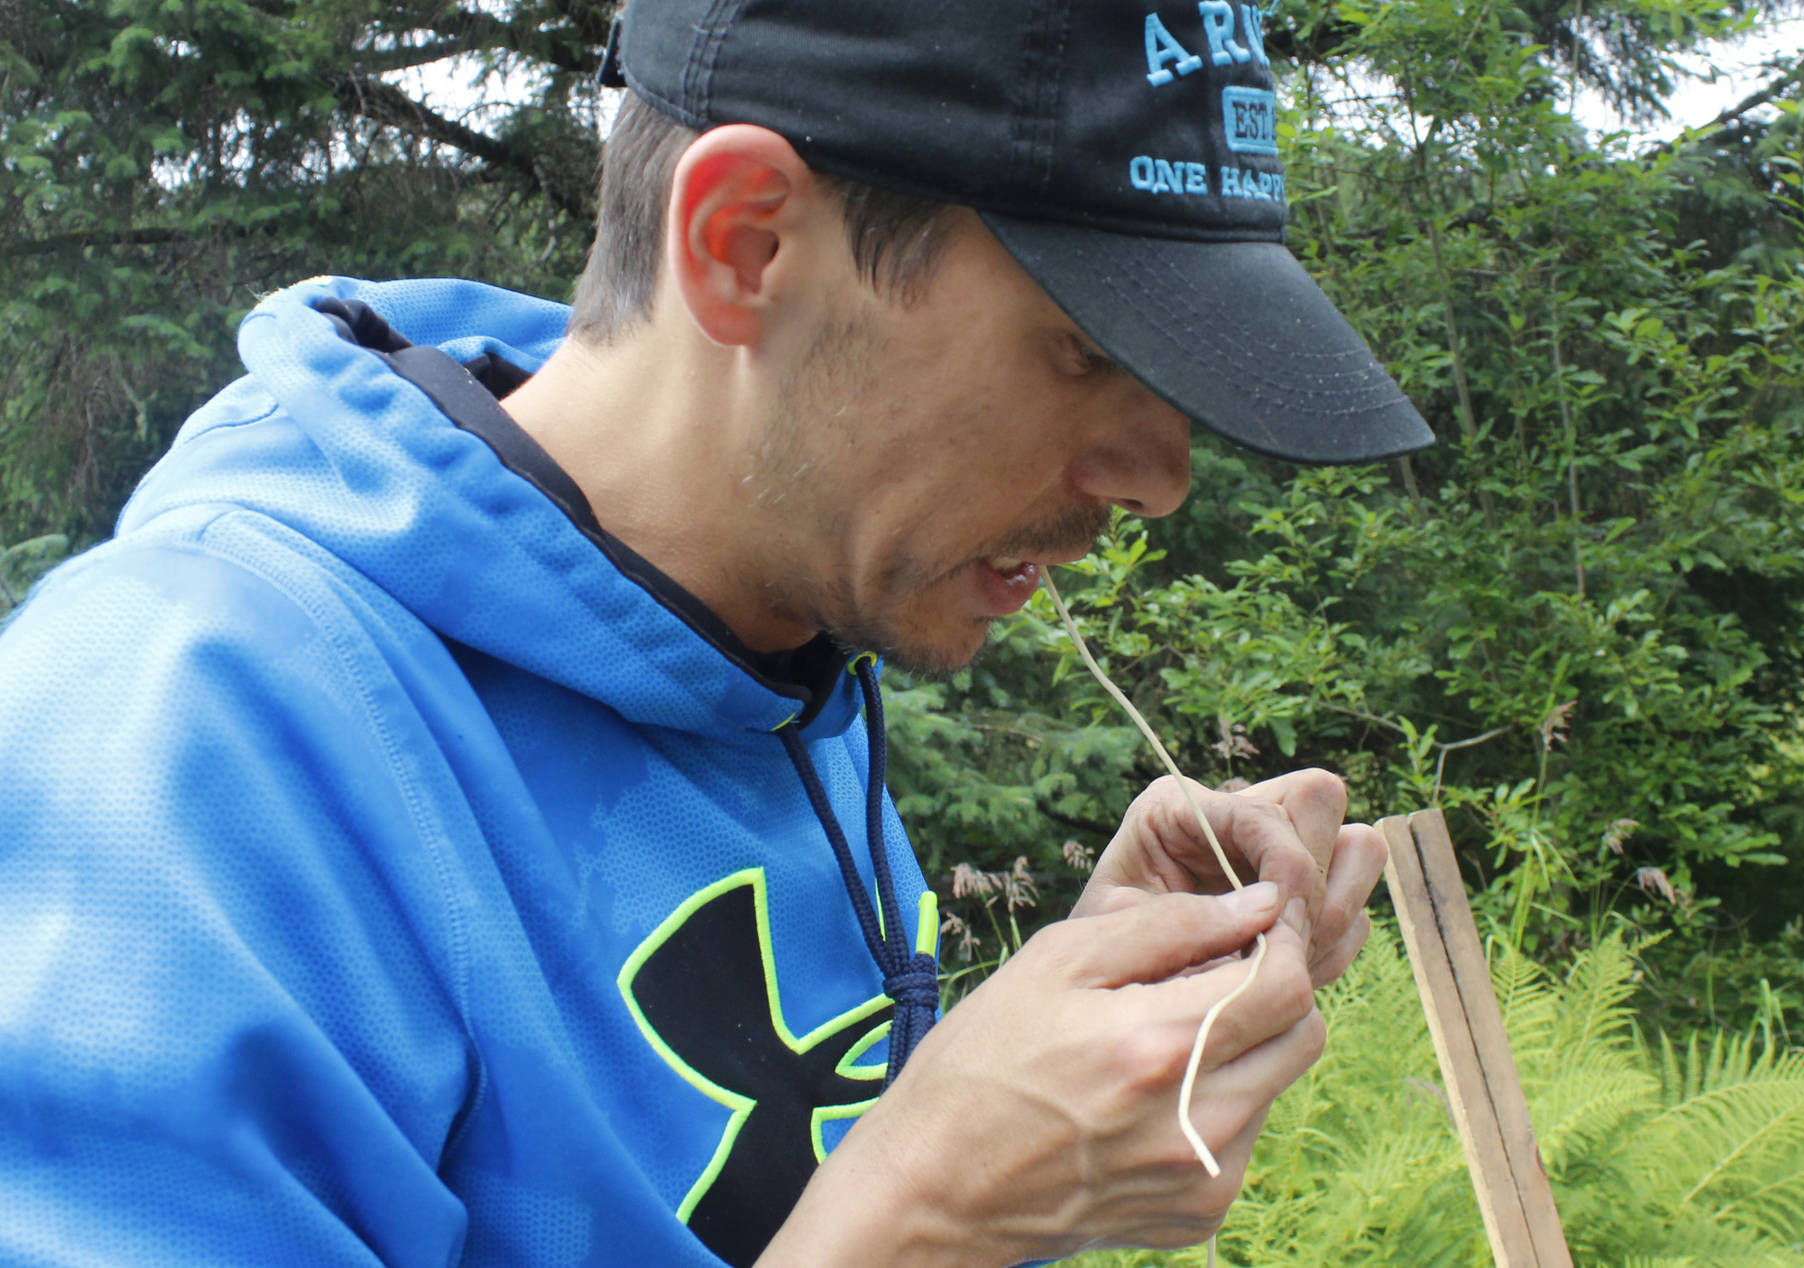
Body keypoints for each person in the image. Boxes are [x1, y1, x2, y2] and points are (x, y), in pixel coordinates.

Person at [0, 0, 1434, 1263]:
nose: (1160, 479)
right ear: (745, 245)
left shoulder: (783, 669)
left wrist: (1032, 1125)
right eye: (1090, 351)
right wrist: (928, 1214)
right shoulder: (185, 733)